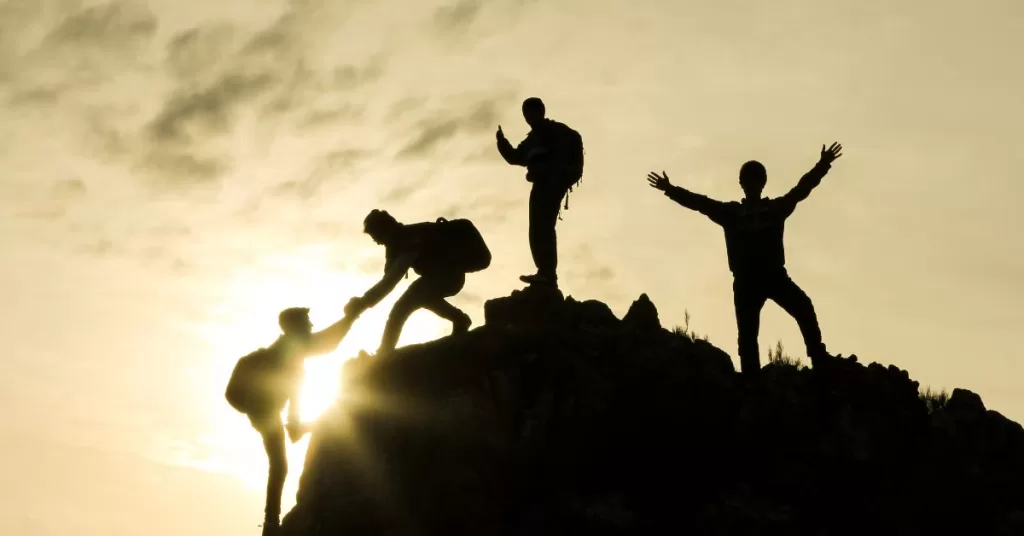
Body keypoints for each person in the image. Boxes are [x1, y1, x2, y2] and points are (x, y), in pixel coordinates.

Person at [646, 142, 844, 374]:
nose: (751, 184)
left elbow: (802, 189)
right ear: (745, 183)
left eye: (753, 179)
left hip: (770, 278)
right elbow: (699, 203)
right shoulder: (739, 212)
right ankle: (755, 376)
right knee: (750, 333)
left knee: (800, 310)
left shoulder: (759, 210)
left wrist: (823, 165)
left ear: (757, 183)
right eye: (749, 179)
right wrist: (670, 189)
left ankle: (816, 359)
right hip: (751, 281)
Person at [228, 305, 361, 535]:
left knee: (281, 463)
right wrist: (351, 316)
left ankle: (296, 428)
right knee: (279, 466)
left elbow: (324, 344)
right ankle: (270, 523)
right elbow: (327, 343)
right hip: (266, 413)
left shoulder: (290, 349)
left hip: (271, 412)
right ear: (295, 327)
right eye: (306, 323)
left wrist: (351, 317)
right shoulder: (288, 348)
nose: (310, 326)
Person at [347, 209, 483, 355]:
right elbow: (387, 280)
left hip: (449, 277)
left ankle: (384, 353)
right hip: (438, 278)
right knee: (416, 299)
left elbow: (390, 281)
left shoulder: (409, 239)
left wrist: (363, 302)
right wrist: (364, 302)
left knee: (403, 306)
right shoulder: (394, 247)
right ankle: (459, 319)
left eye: (376, 236)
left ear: (384, 229)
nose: (377, 242)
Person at [496, 97, 583, 287]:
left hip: (552, 184)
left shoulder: (555, 131)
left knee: (543, 228)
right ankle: (544, 272)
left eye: (531, 112)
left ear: (541, 111)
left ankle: (547, 274)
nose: (528, 117)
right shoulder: (533, 138)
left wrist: (558, 175)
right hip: (541, 184)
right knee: (537, 229)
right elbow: (516, 157)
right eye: (526, 114)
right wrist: (502, 143)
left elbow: (570, 155)